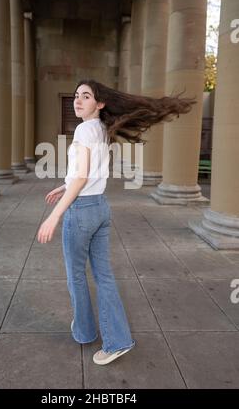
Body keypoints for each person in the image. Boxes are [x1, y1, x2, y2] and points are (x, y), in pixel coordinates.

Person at [37, 79, 196, 365]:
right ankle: (117, 340)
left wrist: (55, 214)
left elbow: (83, 175)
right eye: (76, 96)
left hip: (82, 211)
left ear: (100, 104)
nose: (78, 100)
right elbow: (90, 173)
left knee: (76, 276)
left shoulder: (85, 129)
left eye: (86, 96)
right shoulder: (102, 129)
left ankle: (85, 332)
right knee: (104, 276)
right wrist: (64, 186)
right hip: (100, 208)